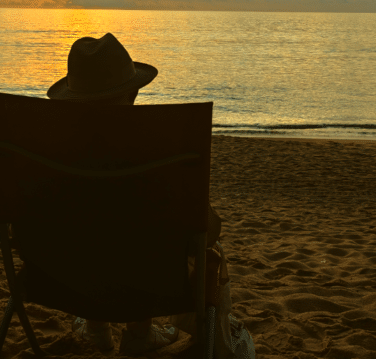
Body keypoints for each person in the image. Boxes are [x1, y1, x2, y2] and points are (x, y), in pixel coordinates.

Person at [47, 33, 254, 358]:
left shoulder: (49, 154)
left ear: (73, 98)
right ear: (132, 92)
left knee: (97, 233)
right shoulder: (162, 150)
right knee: (194, 247)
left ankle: (98, 329)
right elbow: (208, 230)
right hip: (155, 286)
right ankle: (140, 333)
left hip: (65, 280)